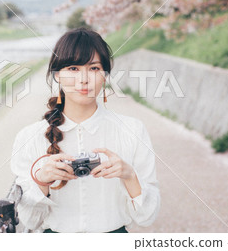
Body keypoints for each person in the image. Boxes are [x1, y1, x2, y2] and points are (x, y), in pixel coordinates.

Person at [10, 27, 160, 233]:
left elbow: (146, 217)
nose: (83, 79)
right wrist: (42, 181)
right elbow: (31, 222)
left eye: (94, 68)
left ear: (105, 76)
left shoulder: (132, 130)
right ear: (57, 75)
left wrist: (129, 175)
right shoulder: (29, 137)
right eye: (73, 68)